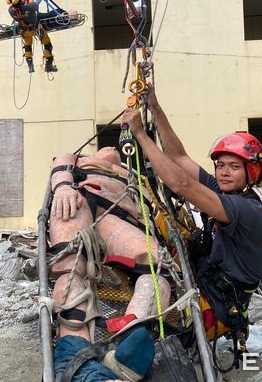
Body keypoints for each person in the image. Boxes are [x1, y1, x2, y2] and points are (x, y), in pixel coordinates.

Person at [121, 84, 262, 355]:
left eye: (234, 167)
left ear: (251, 173)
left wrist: (141, 135)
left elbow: (181, 185)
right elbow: (178, 157)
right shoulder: (225, 189)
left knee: (148, 305)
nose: (224, 172)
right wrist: (154, 105)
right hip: (208, 282)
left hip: (216, 306)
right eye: (221, 165)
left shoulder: (245, 210)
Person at [49, 147, 171, 381]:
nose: (112, 149)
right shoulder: (81, 160)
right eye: (106, 147)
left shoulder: (132, 175)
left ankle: (125, 350)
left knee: (156, 265)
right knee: (70, 266)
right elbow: (61, 161)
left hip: (118, 220)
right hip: (78, 202)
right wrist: (63, 186)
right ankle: (77, 358)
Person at [7, 0, 58, 73]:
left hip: (24, 31)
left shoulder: (11, 10)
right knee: (48, 44)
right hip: (36, 29)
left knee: (28, 46)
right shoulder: (30, 7)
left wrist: (25, 3)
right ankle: (48, 65)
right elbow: (37, 2)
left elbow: (20, 7)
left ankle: (30, 66)